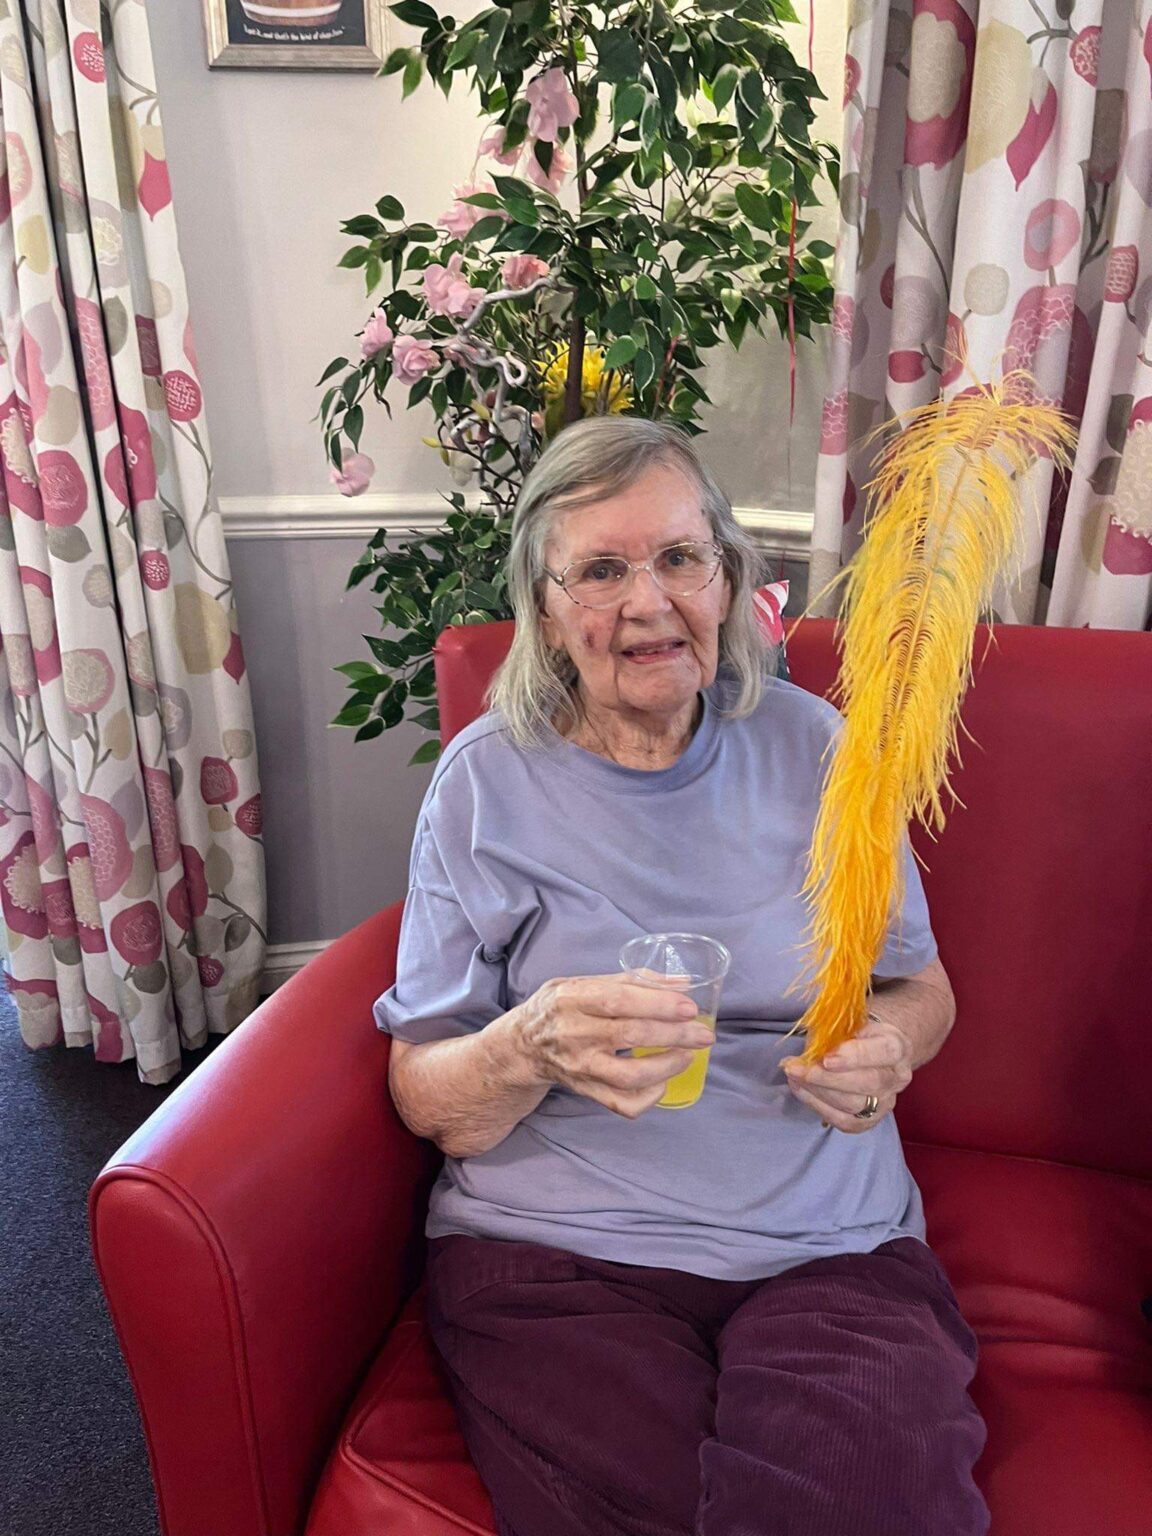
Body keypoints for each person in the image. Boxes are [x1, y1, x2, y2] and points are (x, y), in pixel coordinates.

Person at [374, 418, 989, 1536]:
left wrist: (891, 1045)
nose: (648, 602)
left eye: (679, 558)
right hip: (554, 1254)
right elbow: (428, 1095)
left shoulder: (819, 751)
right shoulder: (482, 784)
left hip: (827, 1247)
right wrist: (526, 1044)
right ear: (546, 609)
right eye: (601, 571)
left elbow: (921, 985)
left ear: (728, 580)